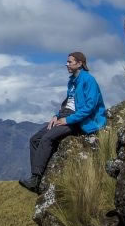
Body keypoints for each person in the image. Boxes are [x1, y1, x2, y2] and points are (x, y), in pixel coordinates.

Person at [19, 51, 107, 193]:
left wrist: (68, 120)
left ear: (80, 63)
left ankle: (36, 179)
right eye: (67, 62)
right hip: (66, 115)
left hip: (79, 119)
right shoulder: (72, 81)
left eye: (70, 62)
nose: (67, 64)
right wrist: (56, 115)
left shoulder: (88, 80)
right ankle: (35, 177)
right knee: (34, 139)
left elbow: (90, 106)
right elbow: (68, 103)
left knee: (47, 138)